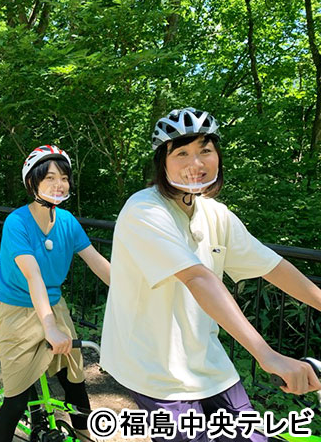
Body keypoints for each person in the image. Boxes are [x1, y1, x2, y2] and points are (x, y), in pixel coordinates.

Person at [100, 108, 321, 442]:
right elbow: (199, 278)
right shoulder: (143, 211)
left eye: (205, 150)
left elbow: (273, 267)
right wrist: (267, 355)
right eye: (182, 153)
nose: (196, 162)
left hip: (206, 358)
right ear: (163, 162)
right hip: (156, 367)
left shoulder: (216, 214)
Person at [0, 145, 111, 442]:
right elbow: (34, 277)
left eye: (65, 178)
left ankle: (84, 437)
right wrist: (49, 327)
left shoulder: (67, 221)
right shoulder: (17, 222)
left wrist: (139, 296)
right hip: (17, 311)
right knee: (16, 401)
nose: (60, 184)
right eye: (50, 178)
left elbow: (97, 262)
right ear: (32, 182)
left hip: (54, 306)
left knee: (75, 383)